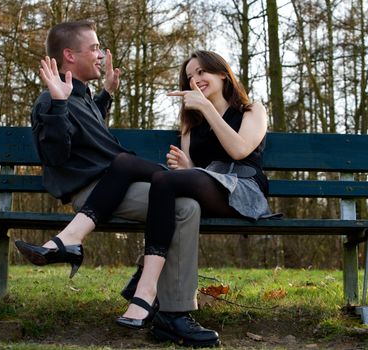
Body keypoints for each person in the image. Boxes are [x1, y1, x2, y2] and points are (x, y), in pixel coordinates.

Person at [14, 20, 219, 347]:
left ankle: (151, 292)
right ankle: (172, 313)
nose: (100, 54)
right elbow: (55, 155)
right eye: (93, 48)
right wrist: (57, 105)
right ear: (69, 55)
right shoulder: (52, 101)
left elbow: (91, 135)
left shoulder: (81, 97)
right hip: (95, 192)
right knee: (184, 207)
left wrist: (107, 93)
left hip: (118, 186)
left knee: (184, 202)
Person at [115, 50, 272, 345]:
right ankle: (151, 294)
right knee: (161, 179)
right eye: (190, 76)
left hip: (243, 189)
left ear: (222, 74)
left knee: (165, 181)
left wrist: (208, 108)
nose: (195, 79)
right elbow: (193, 170)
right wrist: (188, 167)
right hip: (208, 186)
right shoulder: (191, 122)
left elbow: (239, 150)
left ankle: (143, 284)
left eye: (202, 72)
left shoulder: (252, 110)